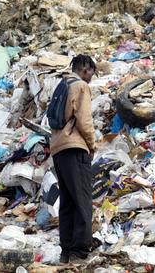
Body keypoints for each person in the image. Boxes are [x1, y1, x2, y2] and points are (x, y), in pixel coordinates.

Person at [49, 54, 98, 265]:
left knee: (68, 201)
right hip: (75, 147)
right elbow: (84, 120)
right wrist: (92, 145)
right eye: (91, 74)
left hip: (58, 148)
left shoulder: (62, 84)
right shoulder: (80, 86)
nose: (91, 80)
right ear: (85, 69)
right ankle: (79, 251)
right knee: (83, 200)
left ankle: (66, 252)